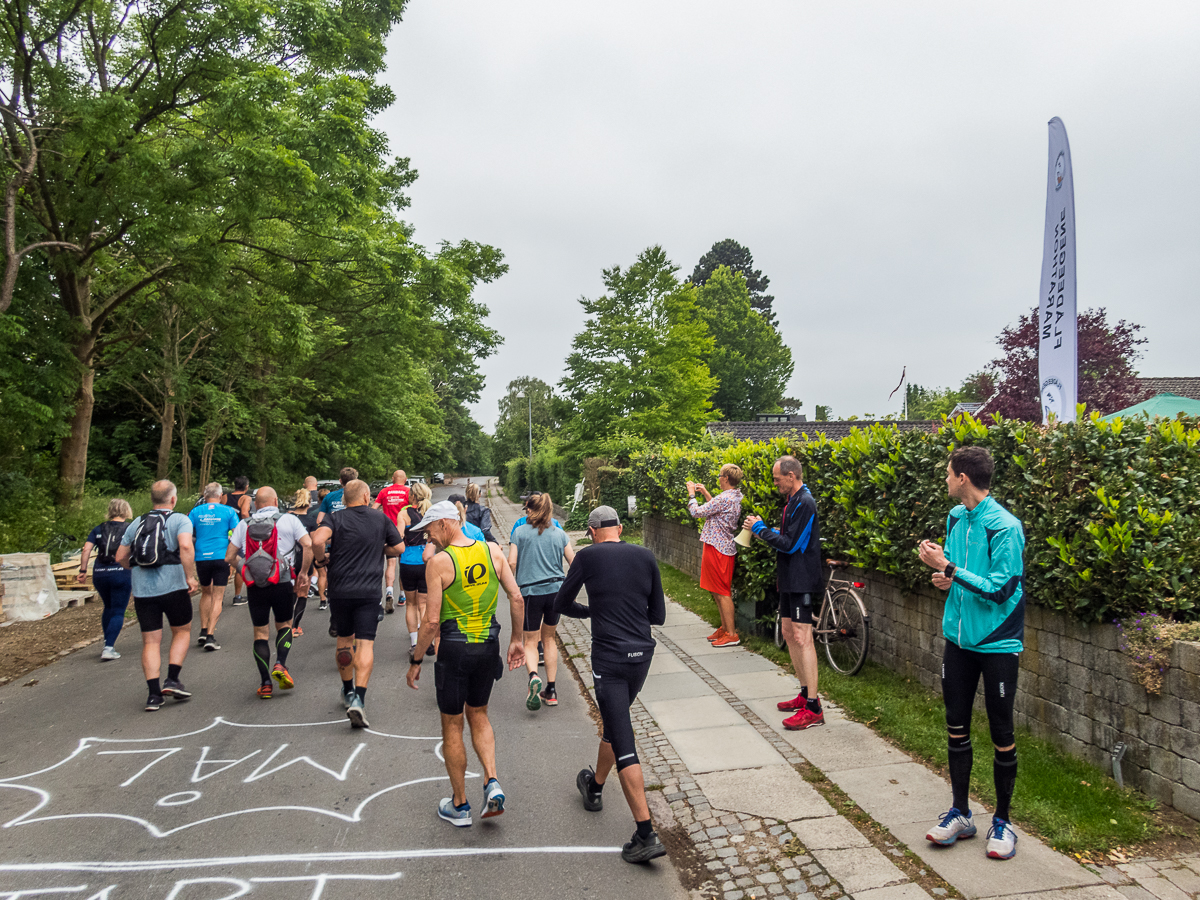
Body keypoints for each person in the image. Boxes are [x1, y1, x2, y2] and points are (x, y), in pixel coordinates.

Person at [918, 446, 1025, 862]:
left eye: (947, 473)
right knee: (955, 726)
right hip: (958, 640)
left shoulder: (1005, 527)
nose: (944, 479)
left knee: (1001, 732)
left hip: (997, 643)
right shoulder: (956, 517)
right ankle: (961, 812)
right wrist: (946, 579)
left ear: (963, 477)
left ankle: (1003, 821)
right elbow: (961, 575)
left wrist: (949, 569)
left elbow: (1000, 589)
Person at [552, 505, 667, 864]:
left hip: (610, 659)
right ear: (619, 527)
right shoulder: (645, 556)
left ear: (592, 531)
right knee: (614, 725)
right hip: (641, 657)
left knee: (623, 736)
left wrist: (592, 612)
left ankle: (645, 833)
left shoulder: (587, 557)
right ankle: (595, 786)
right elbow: (658, 615)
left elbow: (561, 603)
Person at [405, 501, 525, 827]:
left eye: (430, 531)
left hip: (455, 650)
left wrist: (417, 659)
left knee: (453, 724)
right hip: (488, 646)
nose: (429, 539)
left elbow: (431, 621)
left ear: (445, 524)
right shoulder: (493, 552)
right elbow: (517, 597)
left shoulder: (440, 563)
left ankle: (460, 805)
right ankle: (491, 780)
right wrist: (517, 640)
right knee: (480, 713)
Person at [311, 479, 402, 728]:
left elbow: (317, 541)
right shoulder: (380, 519)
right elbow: (399, 547)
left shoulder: (335, 518)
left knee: (344, 641)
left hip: (340, 590)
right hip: (369, 592)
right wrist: (378, 549)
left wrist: (321, 562)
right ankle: (359, 700)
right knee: (365, 644)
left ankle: (347, 690)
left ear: (344, 499)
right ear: (365, 497)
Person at [743, 455, 824, 731]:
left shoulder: (805, 502)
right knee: (789, 634)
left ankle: (814, 707)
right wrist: (767, 530)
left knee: (803, 638)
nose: (775, 483)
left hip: (801, 579)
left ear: (792, 476)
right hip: (789, 578)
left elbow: (790, 545)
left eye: (778, 479)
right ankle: (803, 694)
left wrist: (760, 530)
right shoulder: (793, 501)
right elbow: (790, 536)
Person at [114, 480, 199, 712]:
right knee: (181, 631)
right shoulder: (180, 519)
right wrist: (190, 577)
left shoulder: (137, 523)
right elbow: (186, 547)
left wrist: (136, 570)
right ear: (173, 499)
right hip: (174, 587)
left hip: (144, 592)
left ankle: (153, 695)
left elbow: (120, 556)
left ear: (152, 499)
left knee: (151, 641)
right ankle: (172, 679)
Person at [227, 486, 313, 699]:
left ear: (256, 504)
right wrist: (303, 573)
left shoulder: (243, 524)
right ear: (276, 501)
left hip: (255, 585)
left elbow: (229, 556)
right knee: (284, 625)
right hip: (282, 580)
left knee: (260, 633)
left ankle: (265, 684)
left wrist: (245, 569)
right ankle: (281, 664)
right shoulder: (289, 520)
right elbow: (308, 545)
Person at [508, 492, 574, 710]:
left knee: (530, 641)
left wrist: (510, 586)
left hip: (530, 593)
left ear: (530, 509)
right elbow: (574, 563)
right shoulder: (560, 534)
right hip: (556, 591)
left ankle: (534, 676)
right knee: (549, 639)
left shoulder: (519, 533)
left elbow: (511, 562)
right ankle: (552, 689)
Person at [687, 464, 745, 648]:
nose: (718, 478)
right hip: (720, 547)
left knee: (722, 592)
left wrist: (691, 494)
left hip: (718, 548)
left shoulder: (725, 498)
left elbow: (696, 512)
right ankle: (725, 628)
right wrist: (705, 493)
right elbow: (715, 510)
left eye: (720, 476)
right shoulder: (732, 496)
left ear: (726, 478)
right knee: (716, 590)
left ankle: (732, 634)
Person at [78, 498, 133, 661]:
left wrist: (82, 570)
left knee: (108, 606)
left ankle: (107, 641)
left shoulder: (99, 528)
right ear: (126, 511)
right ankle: (109, 647)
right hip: (121, 572)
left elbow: (86, 549)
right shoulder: (130, 528)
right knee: (118, 610)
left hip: (100, 572)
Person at [188, 482, 240, 651]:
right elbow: (236, 536)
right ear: (220, 496)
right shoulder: (229, 511)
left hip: (202, 556)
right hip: (221, 556)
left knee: (206, 593)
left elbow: (188, 534)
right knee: (218, 596)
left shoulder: (195, 512)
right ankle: (211, 635)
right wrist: (233, 561)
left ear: (204, 496)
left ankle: (203, 631)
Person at [316, 466, 357, 633]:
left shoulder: (330, 497)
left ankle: (335, 619)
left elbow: (319, 520)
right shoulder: (358, 495)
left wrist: (329, 536)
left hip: (335, 547)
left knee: (334, 584)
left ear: (340, 481)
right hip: (355, 547)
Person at [398, 482, 433, 657]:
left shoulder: (403, 515)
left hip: (408, 562)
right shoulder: (431, 513)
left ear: (412, 496)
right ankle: (428, 639)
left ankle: (414, 642)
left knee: (410, 604)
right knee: (424, 604)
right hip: (426, 562)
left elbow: (398, 539)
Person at [373, 469, 410, 613]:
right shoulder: (408, 492)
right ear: (405, 479)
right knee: (403, 563)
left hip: (387, 531)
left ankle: (389, 592)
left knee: (391, 563)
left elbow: (374, 508)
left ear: (393, 478)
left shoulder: (384, 492)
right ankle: (402, 595)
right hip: (404, 531)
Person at [288, 488, 320, 636]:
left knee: (290, 592)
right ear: (309, 503)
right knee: (302, 593)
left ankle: (286, 624)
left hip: (288, 559)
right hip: (304, 558)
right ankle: (295, 626)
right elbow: (313, 543)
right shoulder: (311, 521)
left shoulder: (286, 518)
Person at [225, 476, 253, 606]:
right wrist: (249, 526)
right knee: (239, 564)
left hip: (226, 532)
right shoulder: (246, 498)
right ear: (246, 487)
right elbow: (244, 513)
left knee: (228, 563)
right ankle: (237, 596)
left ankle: (219, 593)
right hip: (238, 533)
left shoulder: (224, 497)